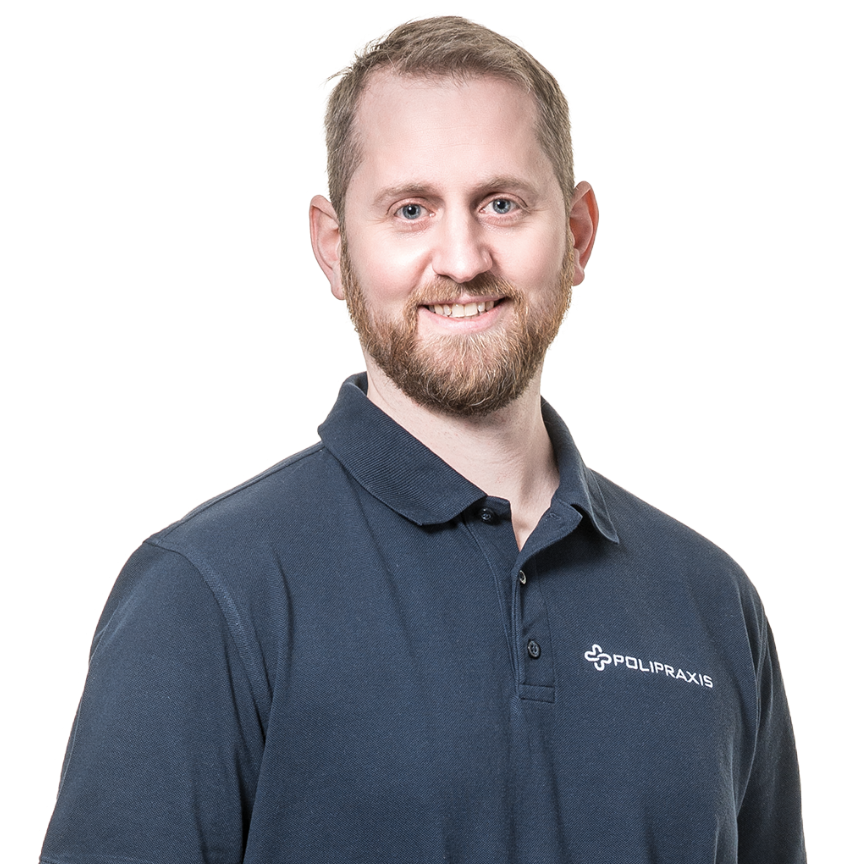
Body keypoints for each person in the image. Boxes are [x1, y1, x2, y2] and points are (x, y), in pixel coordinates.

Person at [40, 11, 805, 863]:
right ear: (334, 248)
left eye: (502, 204)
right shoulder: (202, 594)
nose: (463, 259)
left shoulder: (712, 601)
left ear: (579, 232)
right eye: (411, 210)